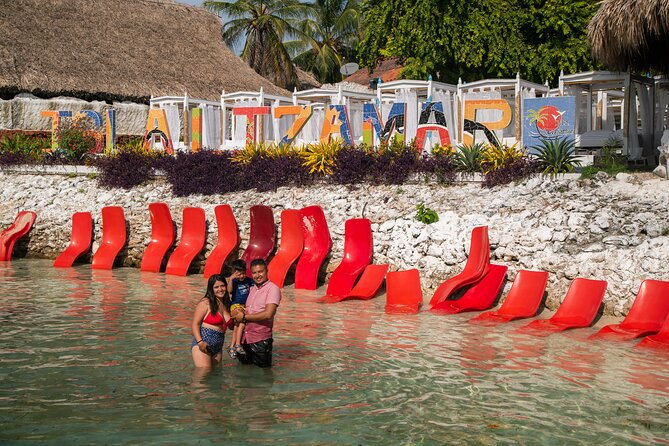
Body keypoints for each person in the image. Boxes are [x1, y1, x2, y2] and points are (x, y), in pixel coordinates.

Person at [232, 258, 281, 368]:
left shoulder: (273, 289)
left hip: (260, 340)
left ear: (267, 271)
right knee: (243, 373)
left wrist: (244, 317)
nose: (257, 275)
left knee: (264, 376)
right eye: (254, 273)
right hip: (244, 339)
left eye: (260, 272)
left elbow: (268, 314)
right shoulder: (252, 288)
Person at [191, 274, 231, 368]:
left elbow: (232, 326)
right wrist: (200, 342)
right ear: (211, 289)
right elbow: (195, 324)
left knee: (216, 378)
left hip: (218, 346)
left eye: (222, 286)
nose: (220, 289)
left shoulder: (226, 304)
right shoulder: (205, 303)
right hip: (203, 344)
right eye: (216, 287)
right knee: (203, 378)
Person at [225, 259, 254, 358]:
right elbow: (229, 291)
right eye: (239, 274)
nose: (241, 276)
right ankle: (238, 344)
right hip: (236, 305)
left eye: (243, 273)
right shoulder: (234, 281)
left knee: (236, 327)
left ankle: (232, 347)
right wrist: (231, 279)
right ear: (234, 273)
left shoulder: (248, 280)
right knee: (242, 322)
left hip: (244, 306)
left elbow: (256, 286)